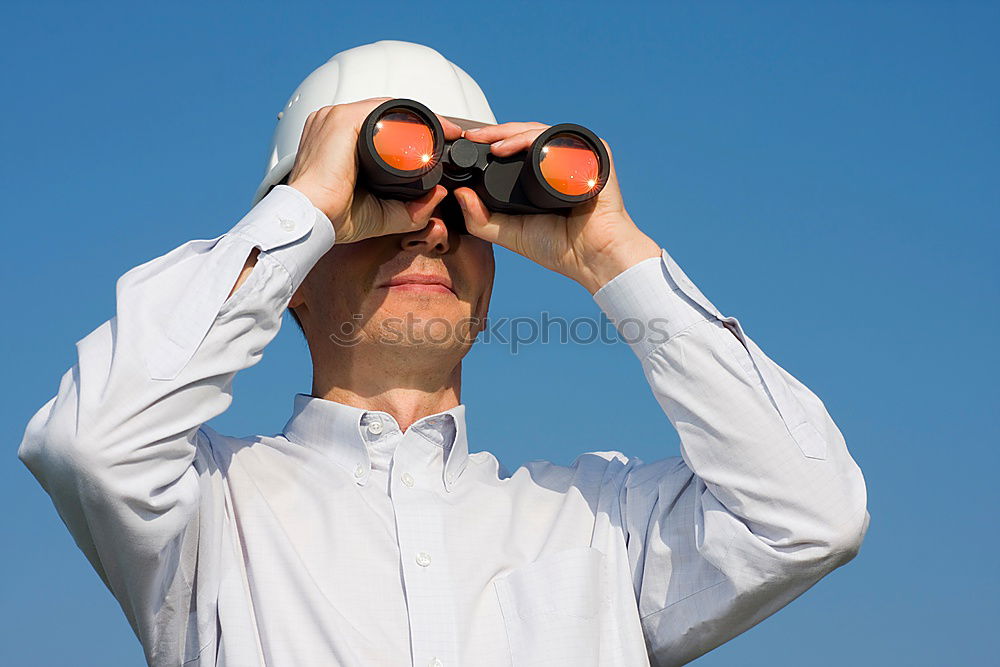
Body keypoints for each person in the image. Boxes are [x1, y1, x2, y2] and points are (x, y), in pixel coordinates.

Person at [18, 40, 870, 667]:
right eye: (377, 203)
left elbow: (809, 514)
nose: (424, 226)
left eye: (457, 212)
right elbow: (89, 442)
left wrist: (612, 251)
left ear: (493, 278)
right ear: (293, 279)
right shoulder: (208, 513)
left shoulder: (599, 523)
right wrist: (310, 203)